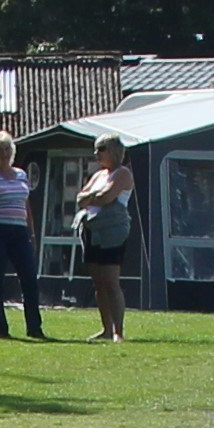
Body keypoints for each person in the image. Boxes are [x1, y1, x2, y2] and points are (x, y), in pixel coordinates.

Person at [0, 131, 44, 340]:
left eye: (7, 149)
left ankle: (34, 327)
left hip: (19, 231)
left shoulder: (21, 175)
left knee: (29, 278)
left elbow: (26, 206)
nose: (4, 153)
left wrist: (32, 233)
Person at [75, 135, 137, 343]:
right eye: (95, 149)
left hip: (112, 233)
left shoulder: (123, 174)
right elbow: (79, 199)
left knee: (111, 281)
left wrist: (93, 197)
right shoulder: (99, 175)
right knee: (98, 283)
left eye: (101, 149)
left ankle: (119, 331)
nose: (96, 154)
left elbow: (106, 198)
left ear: (114, 151)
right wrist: (95, 195)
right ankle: (106, 329)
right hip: (92, 230)